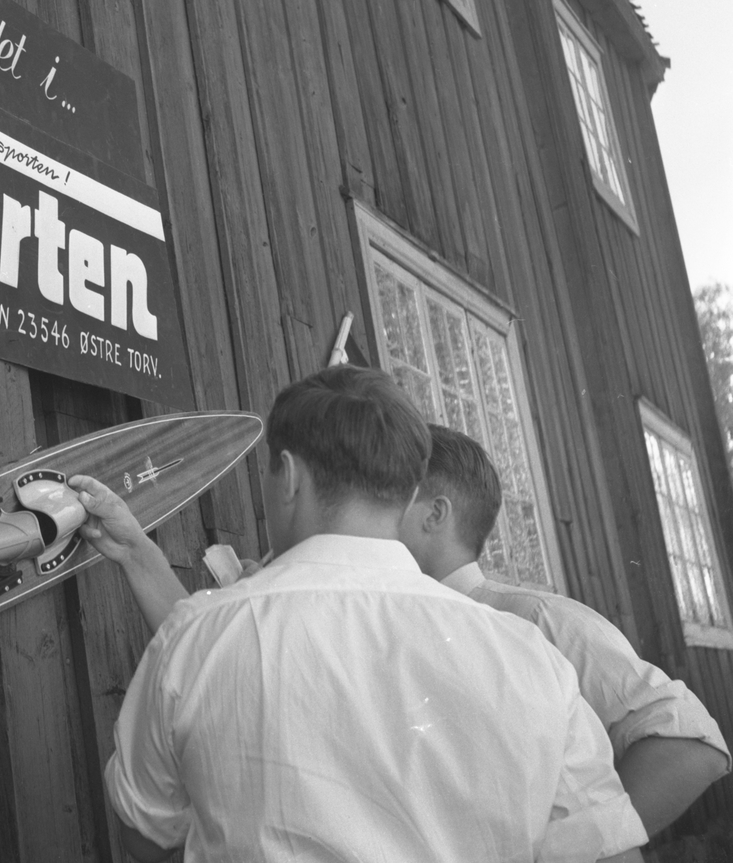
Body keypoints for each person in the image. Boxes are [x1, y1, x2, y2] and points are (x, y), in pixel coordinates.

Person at [73, 366, 646, 862]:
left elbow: (146, 839)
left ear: (289, 477)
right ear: (404, 491)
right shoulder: (532, 660)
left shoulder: (198, 636)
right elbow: (609, 851)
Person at [398, 424, 730, 838]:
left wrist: (580, 849)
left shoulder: (539, 619)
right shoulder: (387, 632)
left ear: (435, 514)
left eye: (391, 499)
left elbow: (688, 744)